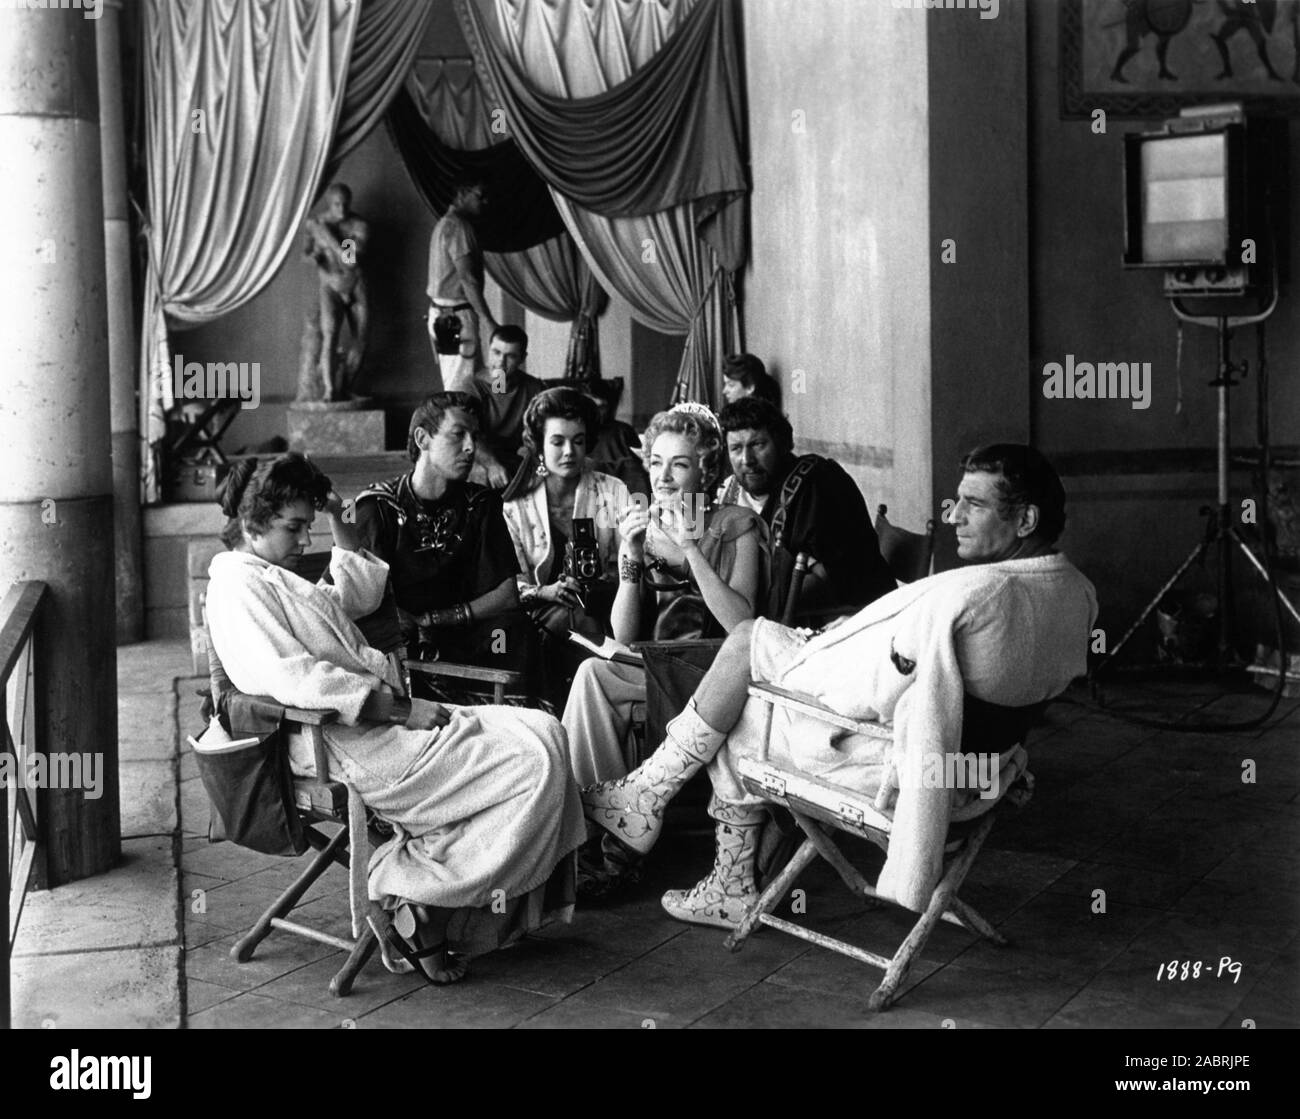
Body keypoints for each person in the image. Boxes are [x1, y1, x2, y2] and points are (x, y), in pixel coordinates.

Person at [581, 444, 1098, 928]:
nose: (953, 515)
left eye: (973, 505)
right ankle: (656, 807)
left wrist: (813, 649)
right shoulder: (1075, 591)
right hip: (983, 769)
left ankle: (693, 843)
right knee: (749, 651)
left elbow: (859, 691)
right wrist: (841, 637)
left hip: (895, 767)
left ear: (1025, 520)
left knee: (745, 682)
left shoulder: (975, 594)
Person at [204, 453, 586, 983]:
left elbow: (356, 600)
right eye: (294, 528)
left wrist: (339, 516)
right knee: (530, 766)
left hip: (372, 726)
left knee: (548, 731)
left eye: (306, 526)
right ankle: (405, 888)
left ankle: (424, 901)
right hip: (342, 743)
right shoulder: (238, 587)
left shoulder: (268, 574)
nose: (303, 540)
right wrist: (402, 709)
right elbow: (296, 680)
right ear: (251, 524)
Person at [561, 403, 765, 896]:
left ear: (707, 469)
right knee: (592, 670)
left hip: (721, 676)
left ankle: (603, 844)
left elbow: (744, 625)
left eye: (680, 463)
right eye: (656, 462)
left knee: (592, 678)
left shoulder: (737, 523)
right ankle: (598, 838)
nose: (664, 476)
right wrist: (631, 556)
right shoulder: (649, 528)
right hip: (657, 664)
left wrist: (691, 550)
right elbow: (625, 635)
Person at [353, 393, 532, 680]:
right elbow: (362, 597)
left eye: (474, 436)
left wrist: (436, 619)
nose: (471, 447)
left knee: (513, 626)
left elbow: (507, 595)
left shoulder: (481, 504)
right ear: (423, 439)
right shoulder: (378, 507)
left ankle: (509, 714)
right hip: (400, 641)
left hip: (466, 634)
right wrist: (408, 622)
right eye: (458, 435)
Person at [501, 388, 629, 704]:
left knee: (580, 619)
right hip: (538, 614)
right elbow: (507, 587)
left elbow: (629, 558)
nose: (569, 451)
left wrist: (601, 582)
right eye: (558, 442)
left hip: (606, 608)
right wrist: (545, 592)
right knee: (563, 620)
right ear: (539, 446)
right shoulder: (515, 505)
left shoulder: (611, 491)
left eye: (578, 441)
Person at [717, 397, 895, 620]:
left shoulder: (819, 484)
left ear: (783, 444)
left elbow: (830, 579)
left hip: (845, 618)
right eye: (736, 448)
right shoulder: (730, 491)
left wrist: (751, 601)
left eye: (758, 445)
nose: (747, 459)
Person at [299, 183, 369, 402]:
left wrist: (329, 237)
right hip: (330, 284)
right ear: (330, 204)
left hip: (355, 283)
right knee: (330, 334)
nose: (342, 209)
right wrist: (313, 258)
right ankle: (330, 390)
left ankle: (344, 386)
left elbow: (349, 260)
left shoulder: (358, 225)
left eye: (345, 204)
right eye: (337, 205)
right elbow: (305, 253)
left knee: (362, 338)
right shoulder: (315, 225)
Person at [427, 175, 497, 392]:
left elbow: (351, 260)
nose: (485, 202)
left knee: (474, 379)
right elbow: (468, 278)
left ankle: (500, 407)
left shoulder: (354, 229)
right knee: (459, 387)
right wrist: (488, 320)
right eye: (480, 196)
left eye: (344, 203)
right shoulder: (457, 226)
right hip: (454, 315)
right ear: (462, 194)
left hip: (447, 313)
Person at [463, 325, 547, 489]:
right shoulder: (472, 386)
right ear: (489, 350)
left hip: (515, 457)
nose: (501, 362)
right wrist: (491, 464)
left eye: (510, 356)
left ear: (522, 358)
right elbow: (470, 434)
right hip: (481, 456)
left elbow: (542, 428)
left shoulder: (534, 387)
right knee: (479, 473)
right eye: (496, 352)